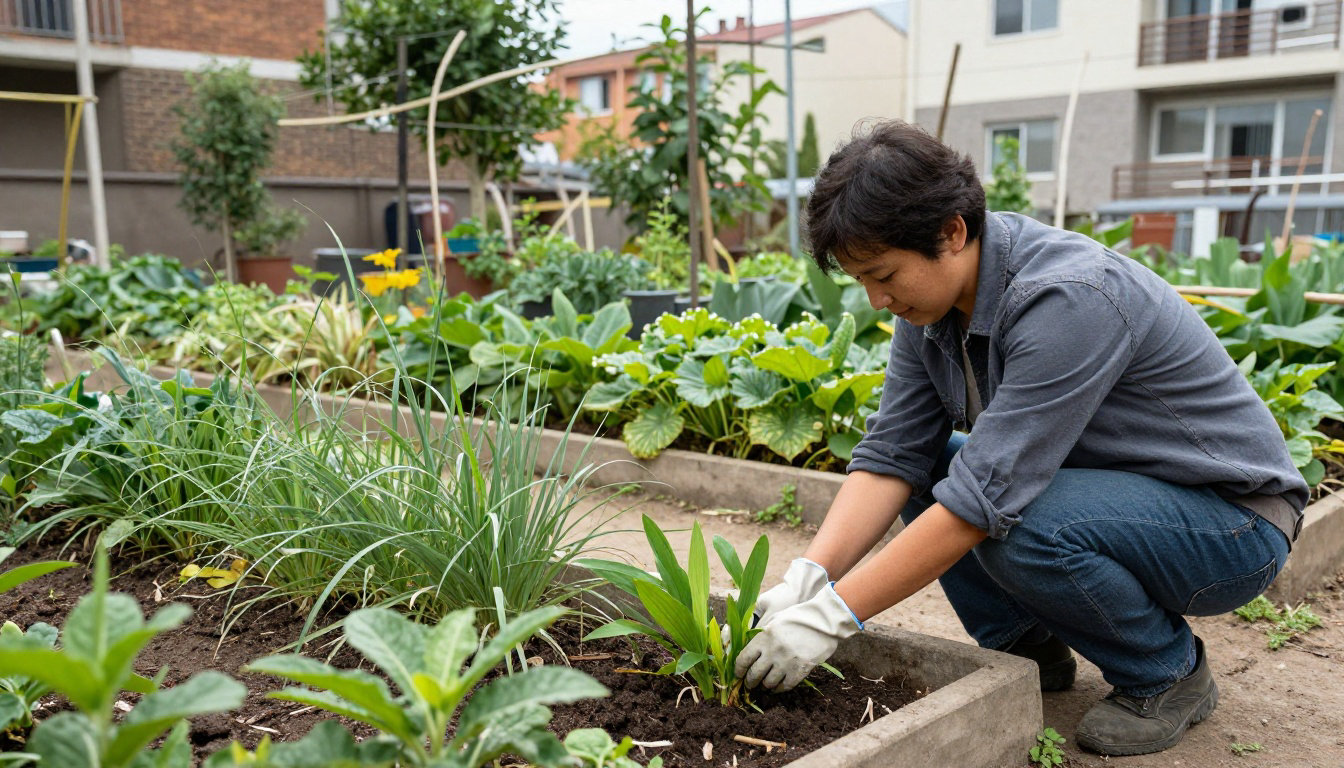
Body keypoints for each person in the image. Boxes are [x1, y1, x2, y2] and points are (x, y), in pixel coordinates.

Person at [733, 120, 1306, 756]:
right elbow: (895, 452)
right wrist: (810, 578)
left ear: (951, 231)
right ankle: (1028, 644)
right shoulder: (931, 307)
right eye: (860, 279)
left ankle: (1168, 675)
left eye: (882, 273)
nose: (875, 298)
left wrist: (834, 618)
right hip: (1112, 499)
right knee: (933, 474)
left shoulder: (1069, 296)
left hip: (1229, 526)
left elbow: (986, 496)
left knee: (1020, 525)